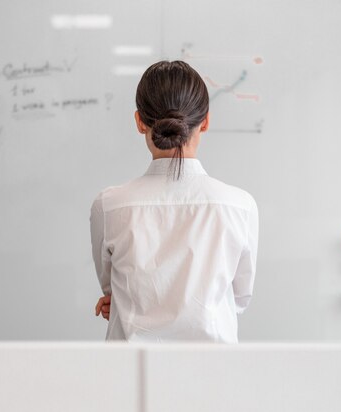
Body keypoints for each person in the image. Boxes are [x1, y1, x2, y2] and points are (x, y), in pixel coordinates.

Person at [90, 60, 258, 343]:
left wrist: (122, 302)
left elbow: (111, 289)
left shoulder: (109, 205)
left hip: (129, 376)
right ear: (205, 121)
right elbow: (239, 299)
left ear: (139, 121)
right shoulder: (239, 206)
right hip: (214, 374)